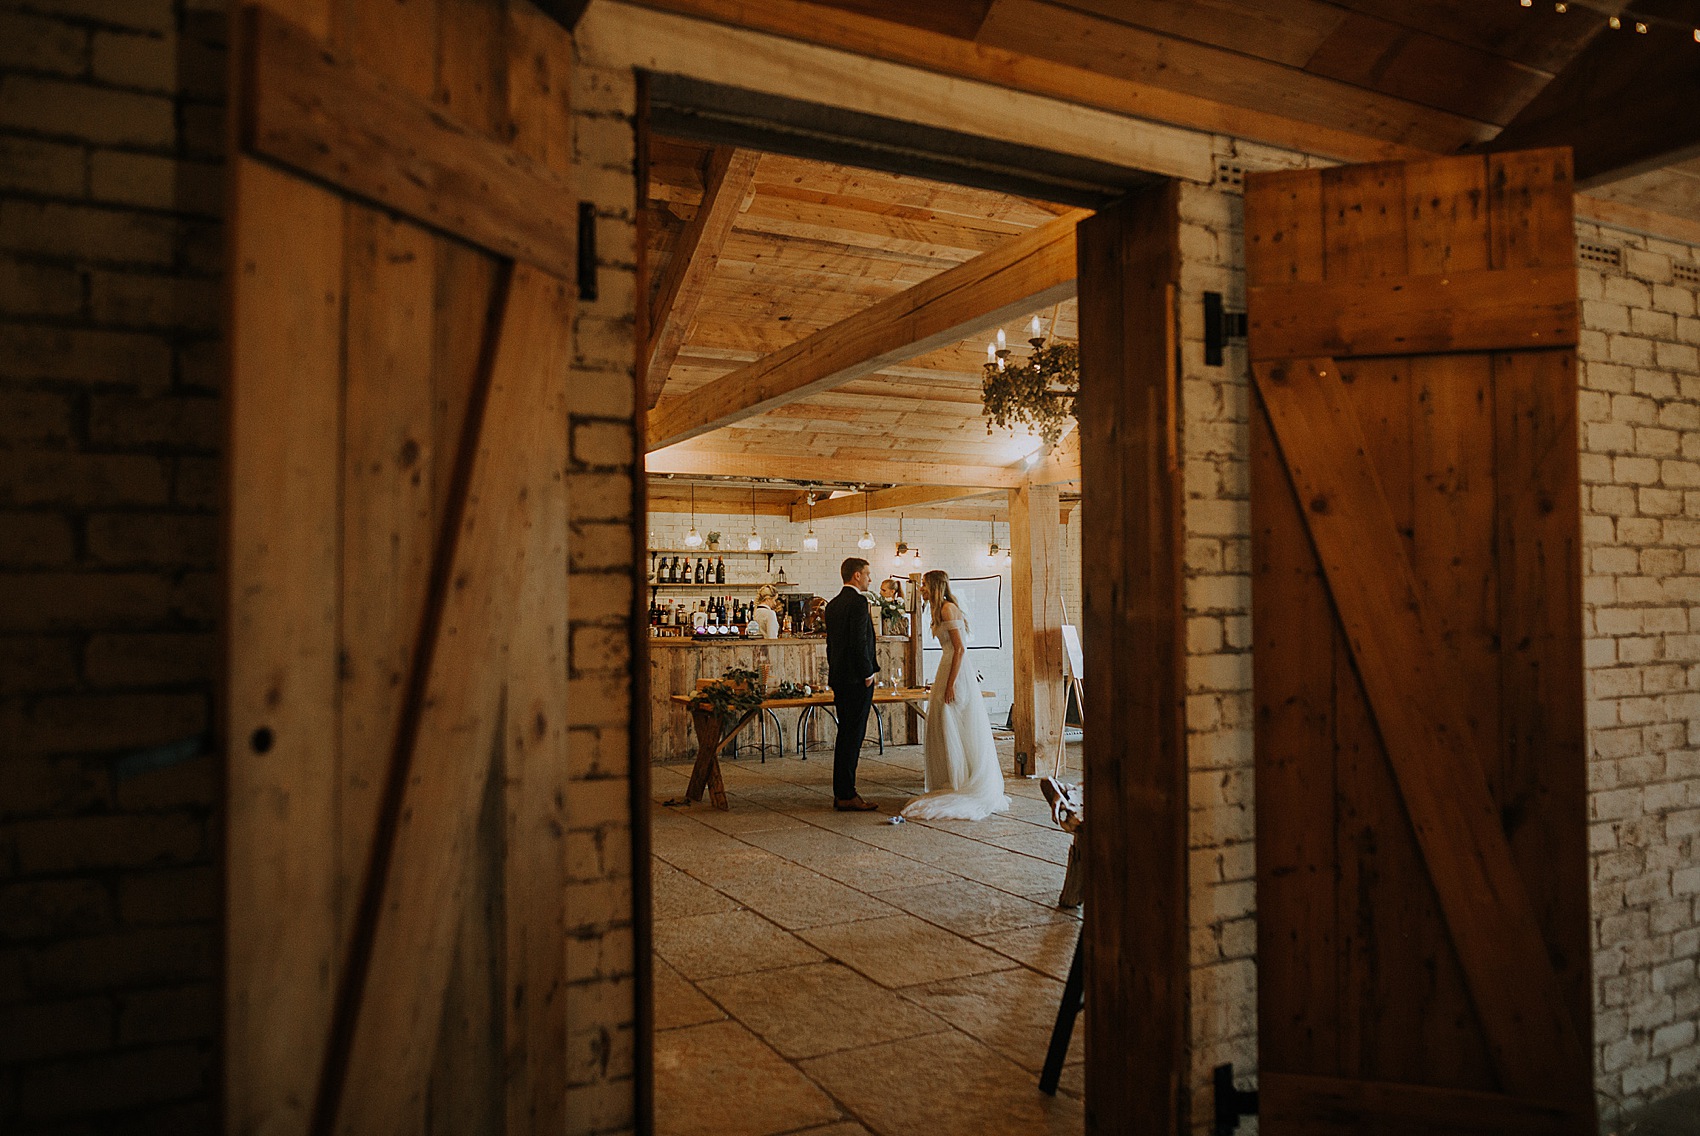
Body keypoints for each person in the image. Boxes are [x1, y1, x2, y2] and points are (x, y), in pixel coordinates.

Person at [901, 570, 1009, 821]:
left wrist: (950, 684)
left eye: (925, 586)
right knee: (942, 724)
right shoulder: (938, 610)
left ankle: (962, 781)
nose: (921, 590)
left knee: (954, 724)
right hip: (946, 667)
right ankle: (951, 777)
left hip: (955, 671)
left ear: (936, 587)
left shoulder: (948, 609)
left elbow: (960, 648)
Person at [824, 557, 880, 811]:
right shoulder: (858, 602)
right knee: (853, 736)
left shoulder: (833, 604)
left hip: (840, 678)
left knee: (845, 734)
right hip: (857, 680)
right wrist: (868, 672)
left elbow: (832, 645)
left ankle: (843, 791)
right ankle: (846, 793)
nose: (870, 578)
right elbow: (859, 642)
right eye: (867, 573)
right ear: (856, 575)